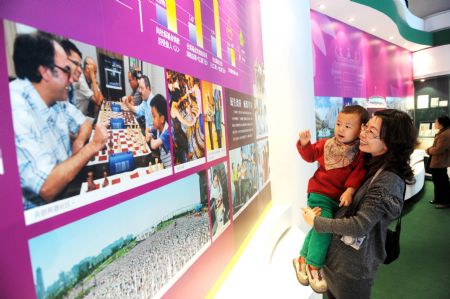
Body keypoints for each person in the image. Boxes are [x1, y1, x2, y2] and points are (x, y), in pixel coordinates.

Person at [301, 109, 416, 299]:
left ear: (391, 142)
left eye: (371, 132)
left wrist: (317, 222)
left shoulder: (388, 181)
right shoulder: (370, 161)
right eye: (365, 127)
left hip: (352, 267)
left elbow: (360, 225)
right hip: (337, 258)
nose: (362, 134)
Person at [9, 33, 108, 209]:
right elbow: (47, 187)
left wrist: (78, 144)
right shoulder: (14, 109)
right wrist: (93, 146)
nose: (71, 79)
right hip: (39, 216)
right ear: (46, 72)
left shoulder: (55, 99)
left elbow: (84, 122)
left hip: (65, 189)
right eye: (66, 70)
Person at [293, 105, 369, 293]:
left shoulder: (359, 153)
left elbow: (358, 174)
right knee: (324, 227)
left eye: (348, 126)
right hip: (319, 194)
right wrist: (304, 144)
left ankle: (301, 259)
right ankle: (314, 266)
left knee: (318, 228)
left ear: (361, 130)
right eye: (338, 124)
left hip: (337, 198)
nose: (341, 129)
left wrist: (350, 190)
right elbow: (310, 155)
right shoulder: (327, 144)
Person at [60, 39, 93, 154]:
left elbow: (85, 124)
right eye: (76, 64)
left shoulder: (68, 87)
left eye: (80, 65)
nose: (80, 70)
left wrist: (79, 142)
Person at [426, 116, 450, 208]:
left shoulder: (445, 134)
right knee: (438, 181)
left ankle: (445, 202)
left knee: (441, 183)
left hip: (440, 162)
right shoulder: (444, 132)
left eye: (436, 122)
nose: (435, 123)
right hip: (439, 162)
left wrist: (428, 150)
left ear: (441, 123)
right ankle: (438, 199)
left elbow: (438, 149)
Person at [149, 94, 172, 169]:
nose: (152, 119)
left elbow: (154, 145)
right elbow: (148, 130)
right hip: (163, 164)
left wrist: (150, 137)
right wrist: (149, 133)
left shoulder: (168, 132)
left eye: (154, 116)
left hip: (169, 170)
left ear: (162, 119)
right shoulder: (158, 127)